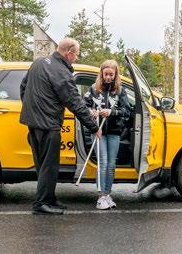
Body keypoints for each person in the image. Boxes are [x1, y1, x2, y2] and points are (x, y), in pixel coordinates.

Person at [20, 38, 102, 215]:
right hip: (48, 125)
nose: (76, 58)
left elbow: (23, 87)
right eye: (76, 55)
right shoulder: (61, 72)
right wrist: (94, 127)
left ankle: (49, 199)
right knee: (49, 166)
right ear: (69, 53)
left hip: (33, 123)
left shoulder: (39, 62)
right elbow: (75, 102)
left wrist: (31, 109)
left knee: (43, 165)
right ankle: (41, 204)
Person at [84, 60, 130, 210]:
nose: (108, 77)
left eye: (111, 74)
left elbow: (127, 111)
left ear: (116, 74)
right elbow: (82, 105)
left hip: (115, 132)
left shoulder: (121, 91)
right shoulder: (93, 89)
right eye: (106, 74)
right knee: (102, 163)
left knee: (111, 165)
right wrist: (91, 111)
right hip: (98, 131)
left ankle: (107, 194)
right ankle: (100, 197)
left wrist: (112, 112)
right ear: (101, 74)